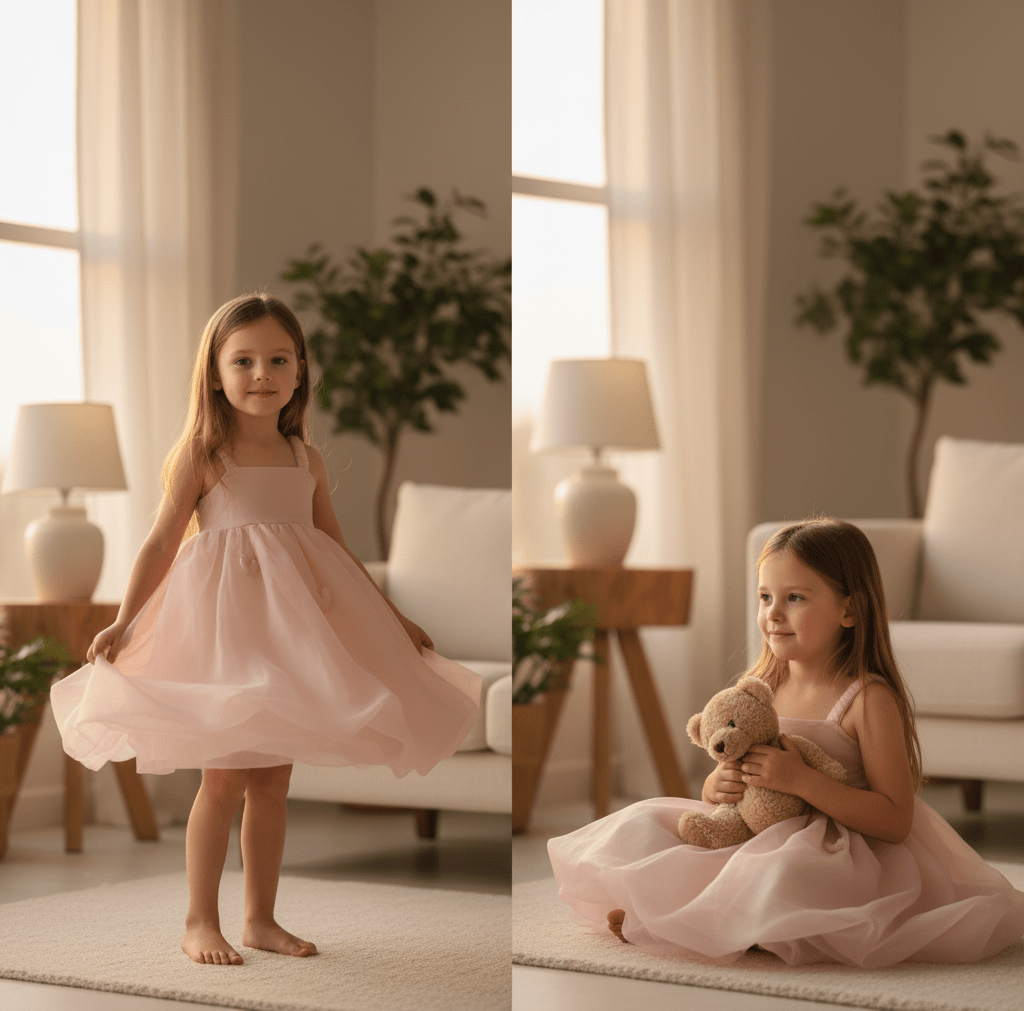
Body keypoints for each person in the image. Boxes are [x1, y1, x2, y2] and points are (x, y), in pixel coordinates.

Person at [50, 294, 481, 967]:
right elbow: (161, 544)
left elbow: (335, 548)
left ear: (301, 370)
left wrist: (393, 619)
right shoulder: (205, 455)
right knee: (221, 780)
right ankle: (199, 919)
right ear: (215, 374)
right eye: (243, 360)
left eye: (278, 359)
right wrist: (123, 620)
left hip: (289, 636)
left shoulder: (302, 459)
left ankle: (260, 918)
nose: (261, 374)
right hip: (222, 636)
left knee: (273, 782)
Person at [548, 519, 1024, 968]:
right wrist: (719, 786)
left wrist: (802, 780)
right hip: (749, 829)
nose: (772, 614)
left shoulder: (867, 698)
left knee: (782, 873)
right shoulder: (761, 684)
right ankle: (704, 918)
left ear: (850, 610)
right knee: (644, 824)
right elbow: (723, 790)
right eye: (765, 597)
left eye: (794, 597)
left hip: (837, 847)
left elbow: (895, 820)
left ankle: (714, 926)